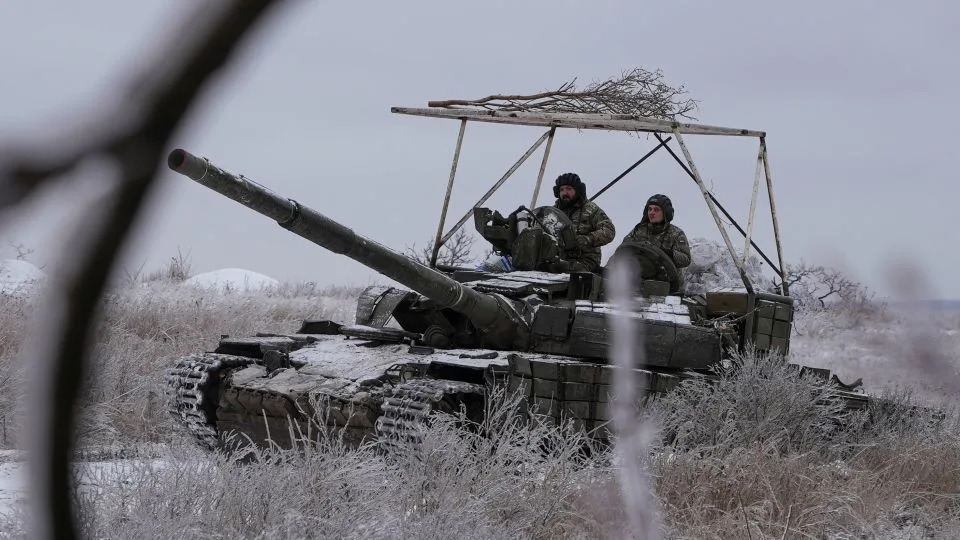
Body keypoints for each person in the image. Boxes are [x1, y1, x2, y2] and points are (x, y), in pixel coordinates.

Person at [551, 173, 615, 273]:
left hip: (585, 261)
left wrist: (587, 239)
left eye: (568, 189)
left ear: (577, 190)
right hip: (559, 259)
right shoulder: (553, 212)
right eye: (561, 189)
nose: (564, 193)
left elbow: (609, 230)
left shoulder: (591, 210)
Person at [620, 193, 691, 274]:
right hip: (637, 276)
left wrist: (666, 254)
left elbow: (686, 259)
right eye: (649, 209)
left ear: (666, 213)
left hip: (665, 280)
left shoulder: (676, 233)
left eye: (656, 210)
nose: (651, 212)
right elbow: (623, 248)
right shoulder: (639, 229)